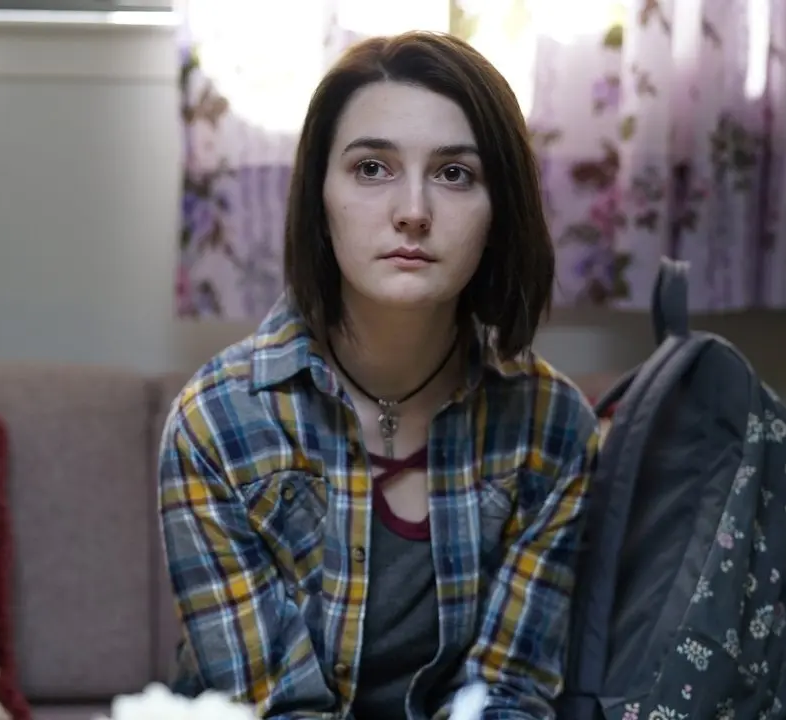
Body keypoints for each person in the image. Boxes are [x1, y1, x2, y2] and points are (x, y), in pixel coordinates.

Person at [158, 30, 600, 720]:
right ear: (320, 198)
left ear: (499, 212)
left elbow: (508, 693)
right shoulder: (217, 423)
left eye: (455, 174)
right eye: (372, 168)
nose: (413, 212)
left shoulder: (555, 428)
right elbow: (277, 707)